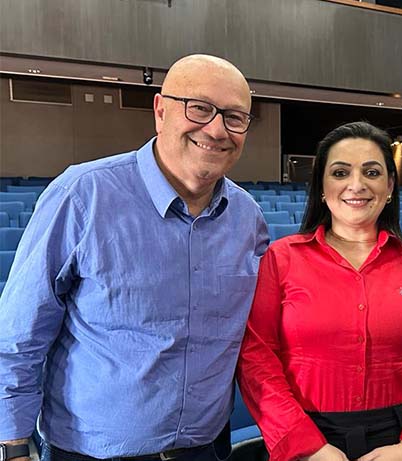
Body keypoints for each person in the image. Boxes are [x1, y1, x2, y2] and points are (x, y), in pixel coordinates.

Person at [0, 54, 269, 461]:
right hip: (91, 453)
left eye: (234, 117)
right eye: (199, 108)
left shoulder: (247, 218)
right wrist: (13, 444)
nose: (216, 130)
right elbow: (20, 334)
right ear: (160, 110)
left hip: (206, 448)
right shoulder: (83, 194)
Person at [237, 121, 402, 461]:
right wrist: (306, 445)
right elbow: (257, 360)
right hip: (308, 436)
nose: (356, 185)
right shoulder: (281, 259)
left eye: (372, 172)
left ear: (390, 186)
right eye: (340, 173)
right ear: (321, 187)